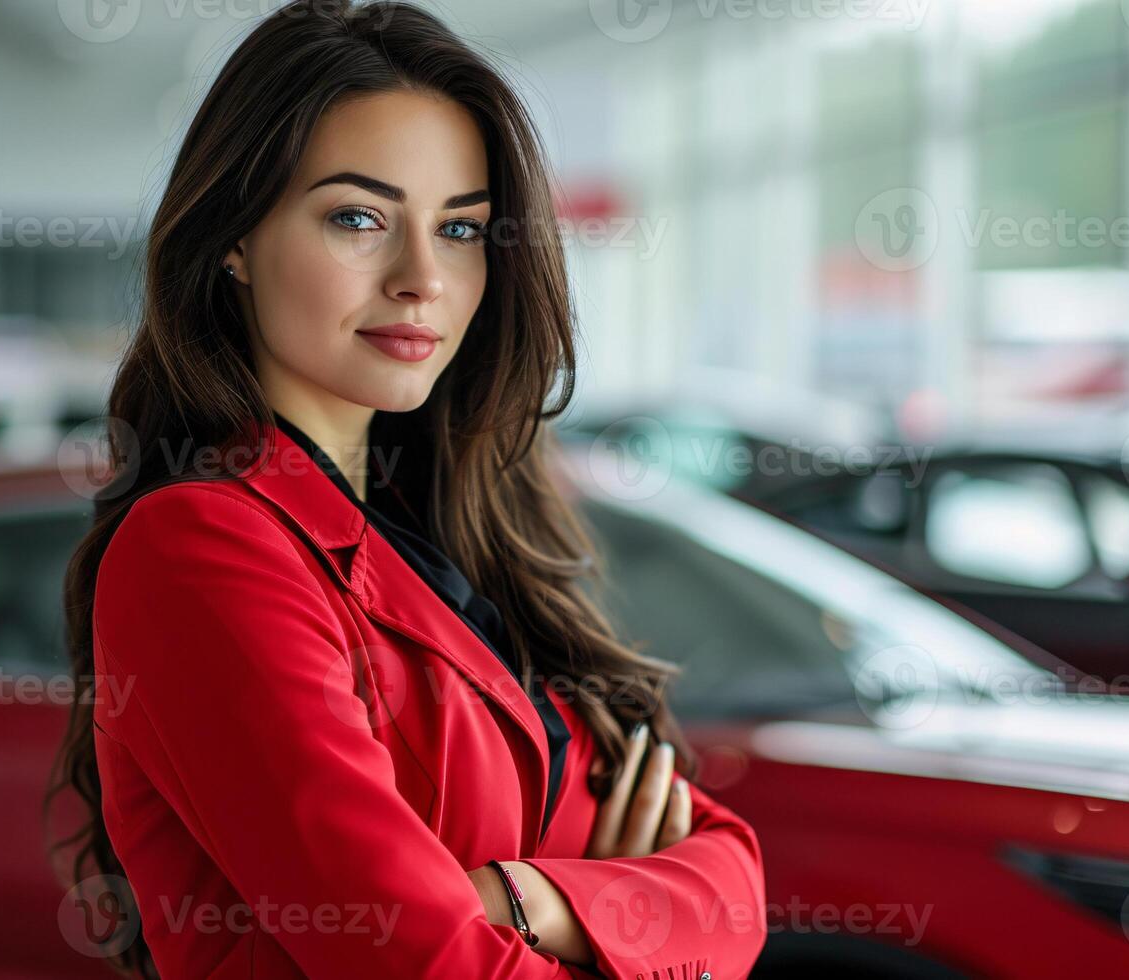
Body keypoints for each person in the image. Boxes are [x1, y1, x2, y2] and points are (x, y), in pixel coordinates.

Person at [47, 2, 766, 977]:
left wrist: (523, 893)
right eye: (358, 217)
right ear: (235, 239)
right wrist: (618, 912)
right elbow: (424, 962)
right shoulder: (202, 545)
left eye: (462, 227)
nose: (422, 276)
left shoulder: (468, 531)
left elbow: (733, 880)